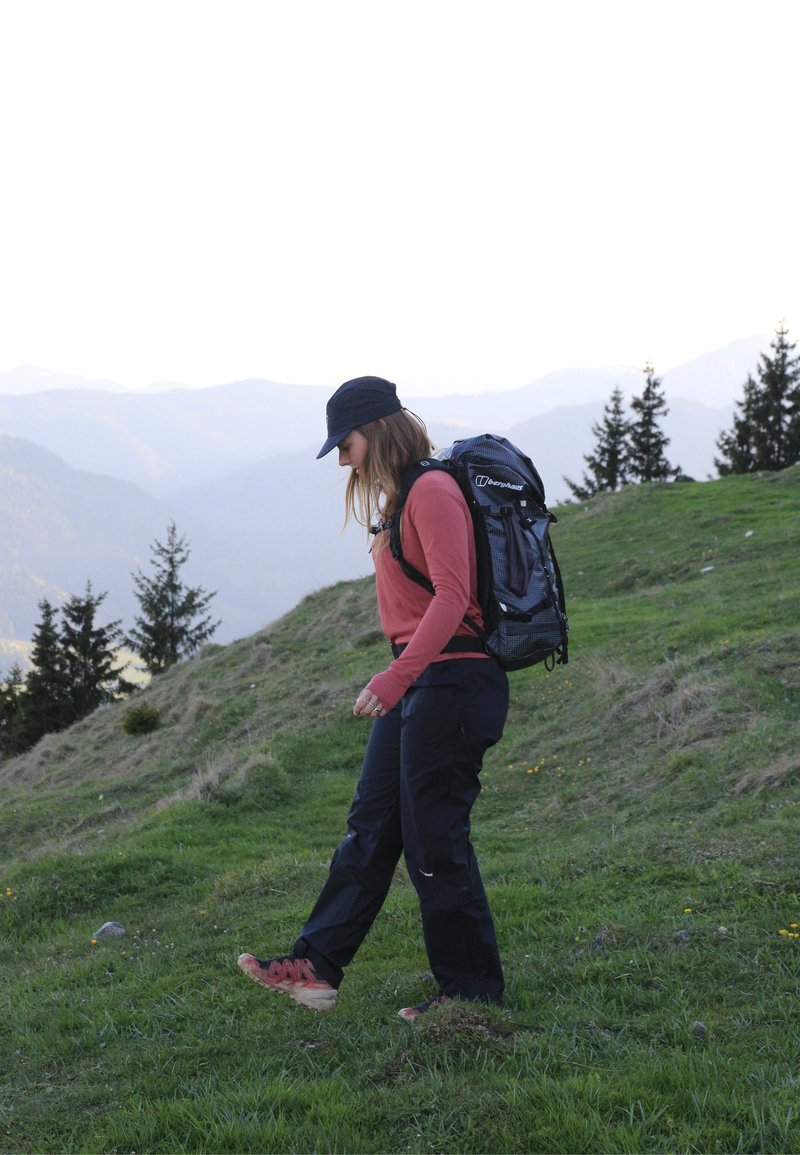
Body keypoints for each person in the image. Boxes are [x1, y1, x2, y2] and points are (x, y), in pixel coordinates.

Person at [237, 376, 509, 1020]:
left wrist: (395, 678)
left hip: (451, 681)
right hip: (422, 681)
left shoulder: (433, 490)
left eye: (347, 442)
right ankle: (316, 968)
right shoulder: (400, 497)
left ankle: (470, 993)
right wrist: (401, 677)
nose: (341, 458)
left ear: (379, 429)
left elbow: (453, 598)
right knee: (370, 827)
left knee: (435, 844)